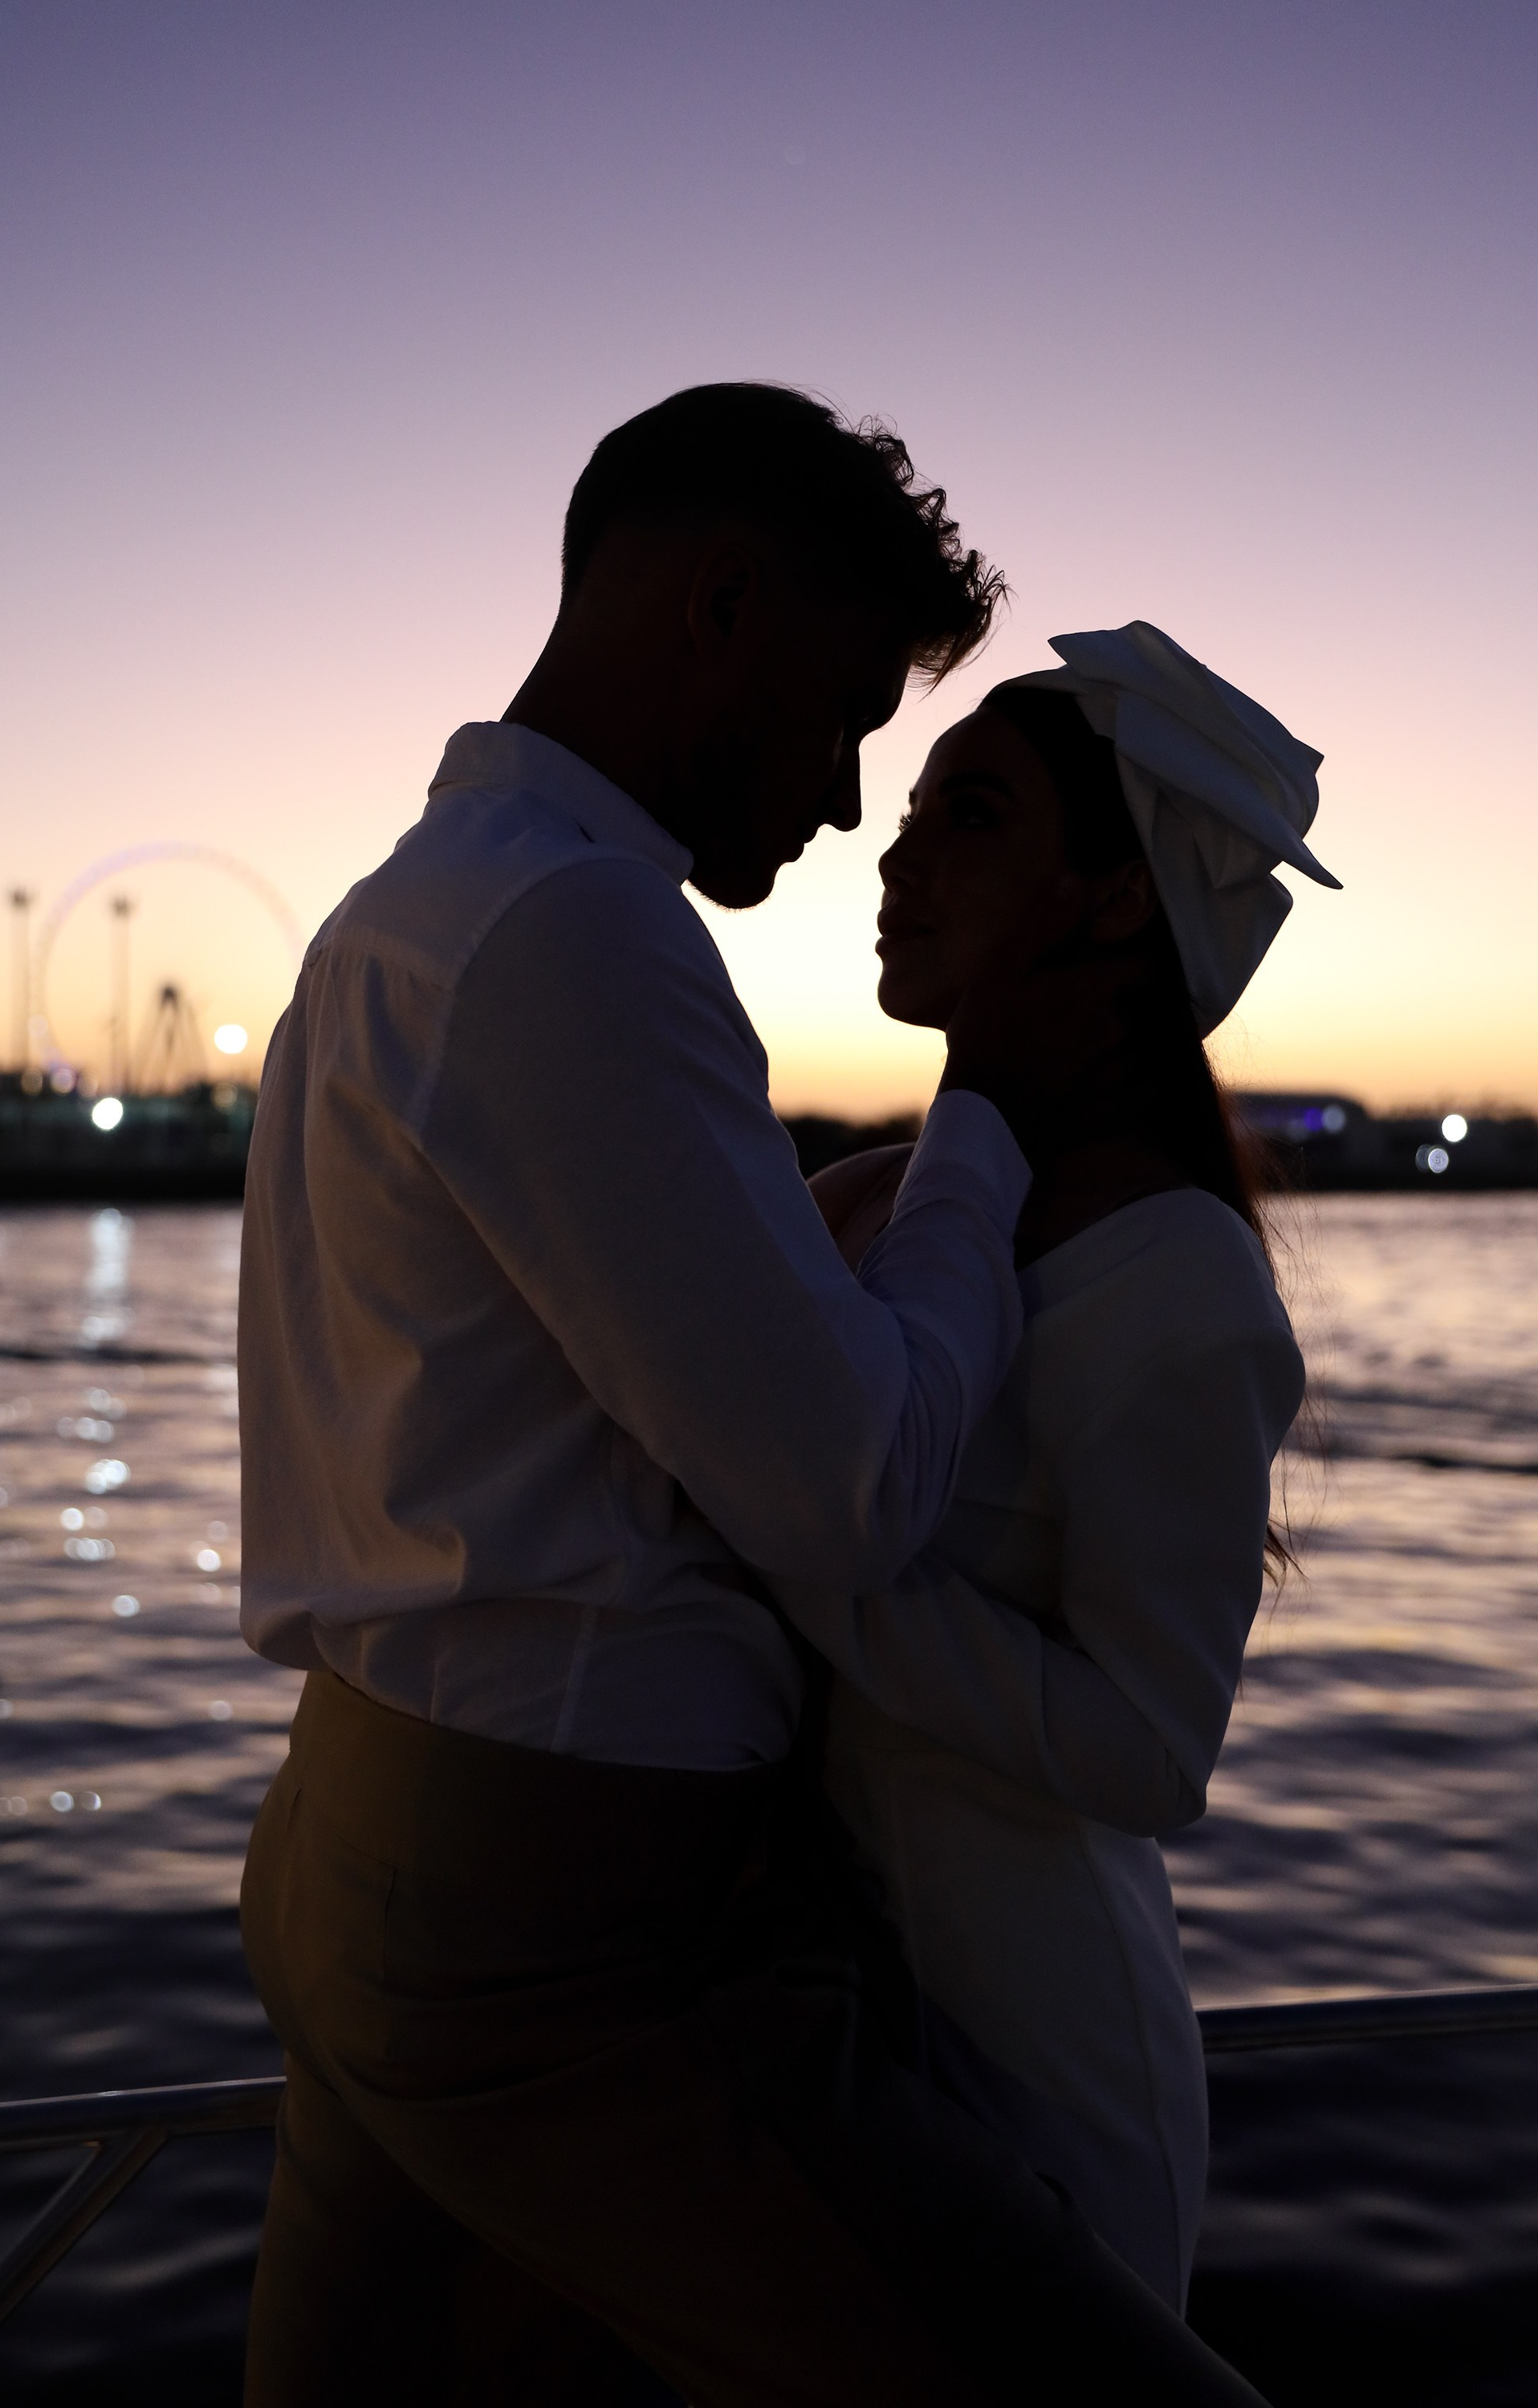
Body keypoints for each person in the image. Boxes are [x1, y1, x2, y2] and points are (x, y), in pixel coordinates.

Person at [236, 389, 1271, 2406]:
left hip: (370, 1851)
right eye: (846, 716)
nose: (838, 798)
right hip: (569, 1945)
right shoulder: (578, 929)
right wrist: (973, 1139)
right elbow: (852, 1491)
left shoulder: (409, 912)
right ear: (721, 604)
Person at [797, 621, 1333, 2311]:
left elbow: (1153, 1747)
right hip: (828, 2043)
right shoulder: (885, 1207)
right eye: (913, 811)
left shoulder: (1173, 1279)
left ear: (1112, 902)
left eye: (973, 816)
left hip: (1041, 2065)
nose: (895, 851)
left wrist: (828, 1578)